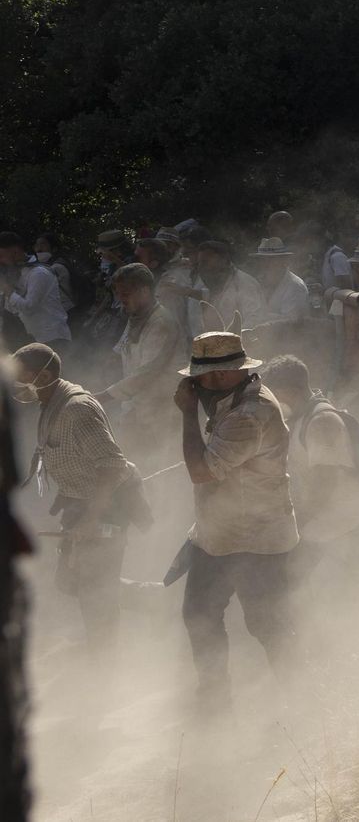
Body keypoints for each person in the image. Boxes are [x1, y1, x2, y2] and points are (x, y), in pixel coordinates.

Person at [173, 331, 299, 711]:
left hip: (256, 539)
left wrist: (186, 413)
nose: (195, 384)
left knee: (267, 624)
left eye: (202, 377)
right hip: (220, 535)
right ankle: (214, 697)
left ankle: (302, 698)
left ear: (225, 375)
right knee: (199, 614)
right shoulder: (232, 399)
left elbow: (201, 470)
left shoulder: (249, 413)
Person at [13, 344, 147, 659]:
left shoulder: (76, 410)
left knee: (94, 591)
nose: (16, 385)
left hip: (106, 506)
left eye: (22, 378)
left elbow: (111, 464)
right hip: (79, 502)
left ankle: (103, 661)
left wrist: (92, 519)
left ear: (44, 376)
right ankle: (131, 596)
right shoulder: (50, 402)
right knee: (69, 581)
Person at [258, 356, 359, 590]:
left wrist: (297, 523)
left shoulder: (321, 421)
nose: (272, 401)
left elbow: (325, 482)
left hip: (343, 521)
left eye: (275, 394)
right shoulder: (302, 417)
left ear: (290, 391)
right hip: (326, 523)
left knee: (344, 590)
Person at [97, 263, 184, 452]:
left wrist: (104, 396)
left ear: (144, 291)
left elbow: (146, 373)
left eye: (125, 294)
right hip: (137, 403)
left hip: (160, 407)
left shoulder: (161, 322)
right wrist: (111, 358)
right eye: (118, 294)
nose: (121, 300)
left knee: (156, 460)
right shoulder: (137, 315)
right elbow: (124, 343)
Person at [0, 231, 72, 350]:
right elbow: (12, 309)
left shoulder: (39, 273)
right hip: (33, 340)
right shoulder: (17, 273)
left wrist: (7, 290)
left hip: (53, 338)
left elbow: (29, 307)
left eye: (1, 256)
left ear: (15, 252)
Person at [174, 240, 266, 333]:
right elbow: (211, 296)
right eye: (200, 263)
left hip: (238, 344)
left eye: (205, 262)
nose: (201, 267)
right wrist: (186, 291)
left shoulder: (245, 283)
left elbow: (254, 319)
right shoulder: (213, 280)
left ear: (223, 260)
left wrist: (234, 340)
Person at [253, 238, 311, 324]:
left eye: (271, 260)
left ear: (283, 261)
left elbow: (291, 323)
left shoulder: (295, 286)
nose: (265, 264)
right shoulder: (261, 282)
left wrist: (262, 317)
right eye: (262, 260)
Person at [32, 233, 74, 308]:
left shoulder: (57, 267)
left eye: (43, 244)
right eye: (37, 245)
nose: (39, 248)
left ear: (54, 248)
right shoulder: (47, 267)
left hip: (65, 311)